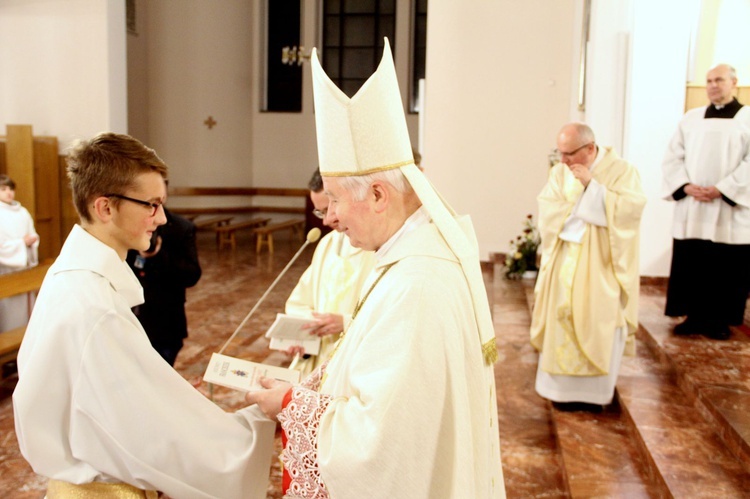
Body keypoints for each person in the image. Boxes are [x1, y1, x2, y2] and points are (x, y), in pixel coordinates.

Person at [247, 39, 505, 498]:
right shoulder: (409, 260)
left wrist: (289, 404)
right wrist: (304, 386)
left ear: (379, 195)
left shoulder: (418, 284)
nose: (329, 217)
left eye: (337, 200)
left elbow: (378, 444)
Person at [13, 132, 275, 499]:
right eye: (151, 205)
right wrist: (255, 425)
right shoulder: (93, 306)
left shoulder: (72, 277)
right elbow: (146, 431)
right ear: (105, 208)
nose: (162, 217)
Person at [530, 123, 646, 407]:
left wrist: (592, 188)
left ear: (591, 149)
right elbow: (548, 208)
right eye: (560, 153)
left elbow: (631, 210)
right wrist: (576, 206)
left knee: (598, 317)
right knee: (561, 316)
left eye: (569, 154)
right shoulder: (559, 173)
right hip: (564, 255)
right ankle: (559, 392)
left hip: (601, 263)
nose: (564, 161)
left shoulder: (622, 171)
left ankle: (593, 395)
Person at [662, 63, 750, 340]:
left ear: (734, 82)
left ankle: (719, 321)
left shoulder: (748, 118)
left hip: (727, 207)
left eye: (719, 80)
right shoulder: (691, 118)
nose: (713, 85)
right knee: (692, 261)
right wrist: (685, 185)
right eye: (709, 80)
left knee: (726, 266)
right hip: (694, 204)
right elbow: (672, 156)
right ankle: (691, 317)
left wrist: (723, 189)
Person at [281, 168, 376, 377]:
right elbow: (298, 303)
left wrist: (344, 322)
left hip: (352, 366)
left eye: (331, 207)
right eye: (321, 212)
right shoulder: (327, 244)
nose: (327, 220)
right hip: (318, 363)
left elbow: (387, 321)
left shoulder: (377, 248)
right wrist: (302, 336)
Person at [126, 203, 202, 366]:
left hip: (165, 322)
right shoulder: (129, 224)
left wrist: (158, 255)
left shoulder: (181, 227)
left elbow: (192, 275)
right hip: (132, 320)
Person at [0, 174, 39, 332]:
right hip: (7, 271)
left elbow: (33, 234)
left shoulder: (22, 212)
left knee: (29, 313)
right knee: (11, 315)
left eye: (11, 189)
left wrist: (31, 241)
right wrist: (21, 243)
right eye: (3, 189)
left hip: (25, 269)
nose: (9, 192)